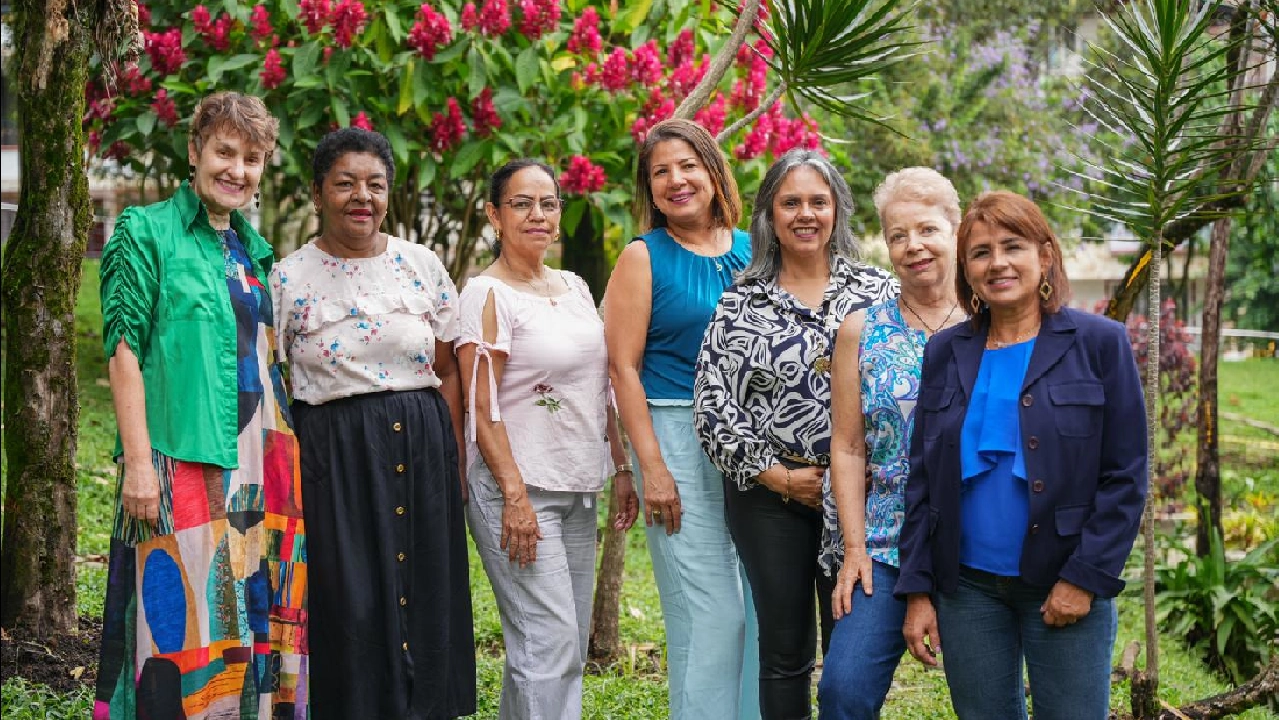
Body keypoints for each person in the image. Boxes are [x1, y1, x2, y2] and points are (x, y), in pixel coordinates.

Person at [95, 91, 307, 720]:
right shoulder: (145, 231)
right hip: (183, 457)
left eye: (251, 158)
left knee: (247, 622)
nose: (236, 170)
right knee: (182, 626)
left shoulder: (252, 249)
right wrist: (138, 463)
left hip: (261, 467)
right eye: (224, 152)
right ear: (195, 152)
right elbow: (123, 352)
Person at [895, 191, 1148, 720]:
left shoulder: (1100, 342)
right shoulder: (946, 350)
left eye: (1013, 246)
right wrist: (919, 591)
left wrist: (1085, 578)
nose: (999, 263)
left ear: (1045, 255)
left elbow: (1126, 477)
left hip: (1063, 581)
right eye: (981, 252)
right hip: (966, 590)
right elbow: (923, 479)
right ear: (966, 271)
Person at [270, 127, 475, 719]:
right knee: (350, 596)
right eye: (345, 184)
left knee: (428, 590)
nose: (362, 197)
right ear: (317, 193)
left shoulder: (421, 264)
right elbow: (273, 378)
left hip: (422, 441)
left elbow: (448, 367)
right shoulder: (289, 278)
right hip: (334, 452)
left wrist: (454, 455)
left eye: (375, 185)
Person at [695, 149, 897, 719]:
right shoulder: (741, 300)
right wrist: (780, 477)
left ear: (837, 212)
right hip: (770, 497)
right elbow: (713, 404)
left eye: (818, 201)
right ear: (769, 216)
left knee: (850, 649)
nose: (805, 214)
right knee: (784, 650)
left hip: (858, 499)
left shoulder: (878, 292)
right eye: (791, 203)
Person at [454, 159, 635, 720]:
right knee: (549, 645)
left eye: (548, 203)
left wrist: (621, 466)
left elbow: (598, 385)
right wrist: (513, 497)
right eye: (521, 203)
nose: (537, 214)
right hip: (518, 489)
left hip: (578, 486)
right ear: (493, 214)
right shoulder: (486, 294)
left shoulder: (576, 287)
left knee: (557, 644)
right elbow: (480, 410)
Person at [603, 118, 759, 720]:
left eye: (688, 165)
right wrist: (652, 469)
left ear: (714, 172)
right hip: (673, 432)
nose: (676, 180)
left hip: (751, 443)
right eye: (660, 171)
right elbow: (623, 370)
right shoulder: (643, 257)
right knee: (711, 611)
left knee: (757, 608)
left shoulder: (755, 249)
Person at [815, 168, 963, 719]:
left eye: (926, 230)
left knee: (988, 698)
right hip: (884, 543)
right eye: (897, 235)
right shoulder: (862, 330)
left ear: (956, 229)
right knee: (843, 689)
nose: (913, 247)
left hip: (975, 548)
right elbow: (849, 447)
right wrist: (855, 549)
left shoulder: (992, 322)